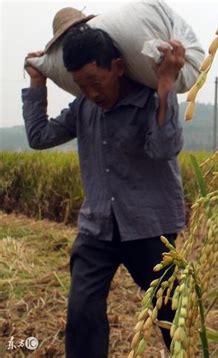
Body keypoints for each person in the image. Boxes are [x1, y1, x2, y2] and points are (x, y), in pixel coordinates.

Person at [22, 7, 186, 358]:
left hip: (149, 226)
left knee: (171, 312)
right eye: (82, 86)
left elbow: (165, 148)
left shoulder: (147, 101)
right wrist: (37, 83)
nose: (91, 93)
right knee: (81, 311)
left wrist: (166, 87)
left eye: (96, 82)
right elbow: (39, 136)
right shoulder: (84, 107)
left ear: (118, 66)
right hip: (97, 226)